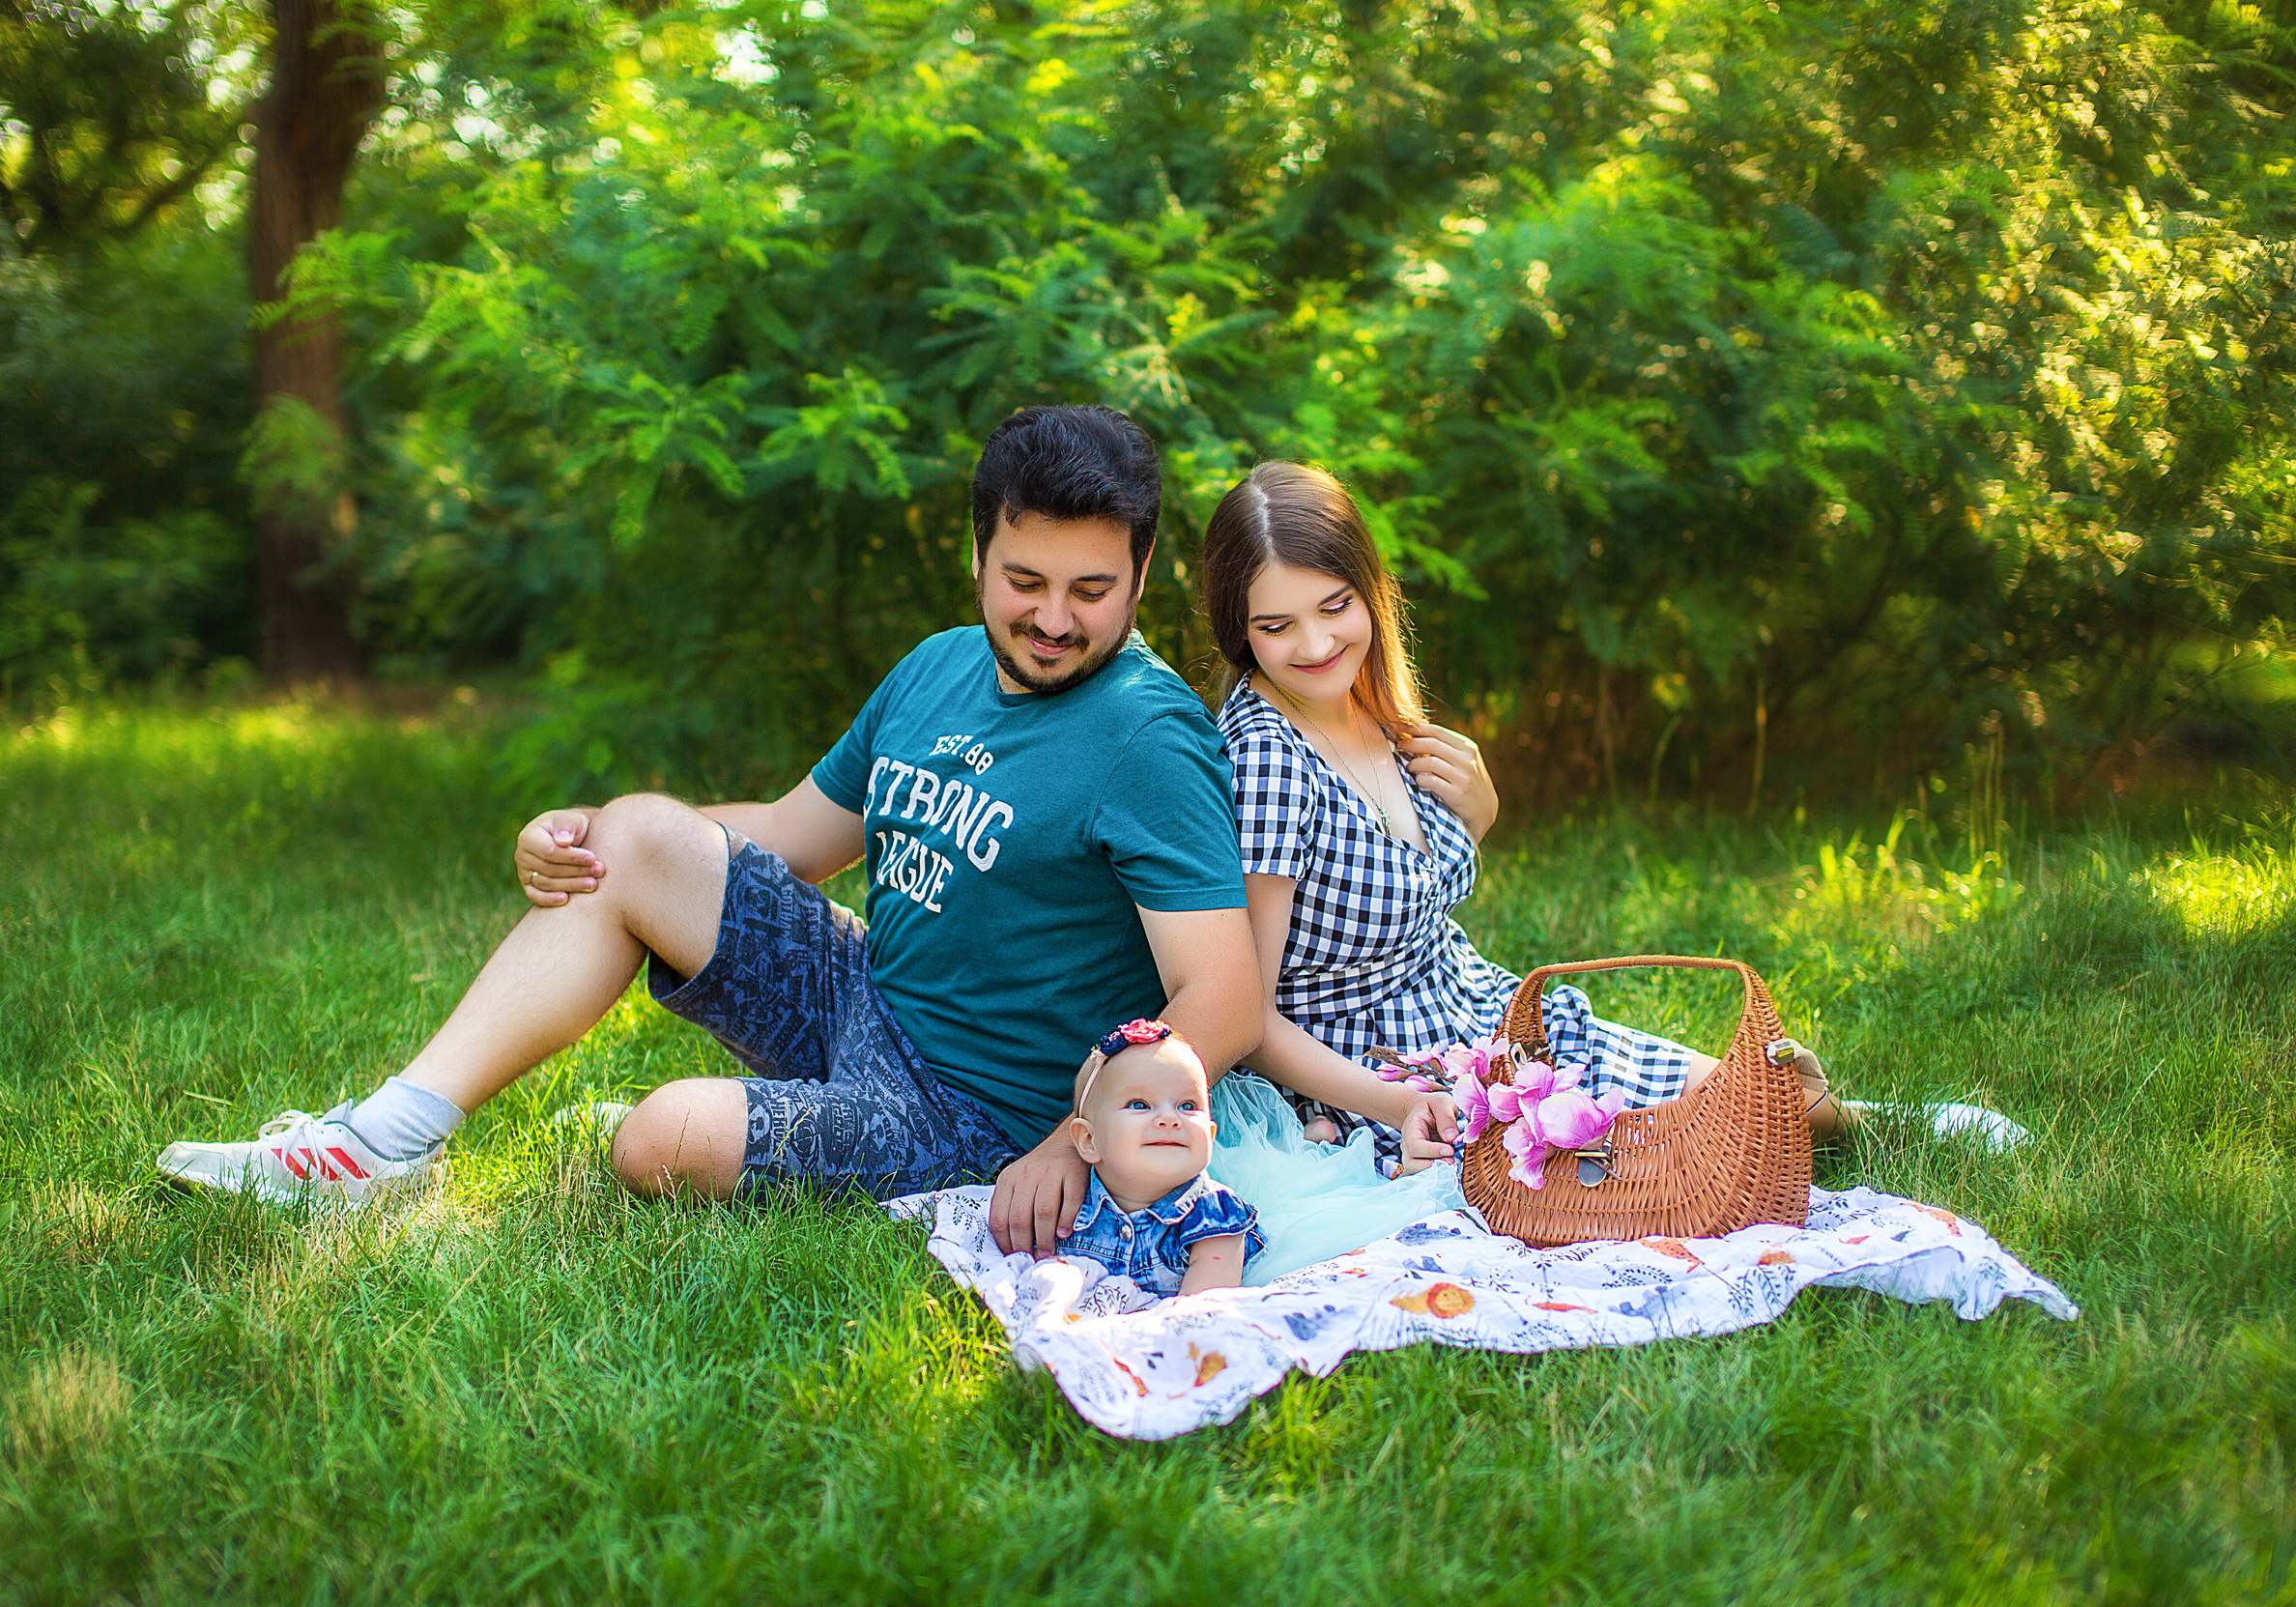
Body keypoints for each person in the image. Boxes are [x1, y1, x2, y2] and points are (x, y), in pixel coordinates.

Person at [156, 406, 1263, 1257]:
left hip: (979, 1109)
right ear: (975, 554)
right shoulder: (937, 666)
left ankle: (757, 1122)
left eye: (1091, 589)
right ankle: (386, 1139)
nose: (1055, 619)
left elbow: (1221, 994)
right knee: (637, 833)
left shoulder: (1144, 737)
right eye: (1025, 581)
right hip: (870, 992)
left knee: (657, 1141)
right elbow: (790, 836)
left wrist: (1072, 1141)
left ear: (1141, 575)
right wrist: (585, 835)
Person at [1195, 460, 1853, 1177]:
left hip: (1481, 1016)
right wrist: (1398, 1103)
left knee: (1782, 1099)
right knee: (1710, 1144)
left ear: (1370, 593)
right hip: (1375, 1075)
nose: (1317, 644)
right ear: (1241, 631)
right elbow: (1249, 1017)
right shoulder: (1268, 759)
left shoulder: (1369, 707)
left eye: (1334, 606)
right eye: (1277, 624)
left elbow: (1390, 891)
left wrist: (1480, 814)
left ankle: (1892, 1120)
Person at [1053, 1019, 1263, 1297]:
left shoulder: (1214, 1218)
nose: (1169, 1119)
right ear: (1089, 1141)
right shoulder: (1066, 1202)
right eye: (1139, 1104)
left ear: (1210, 1136)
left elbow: (1199, 1313)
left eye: (1188, 1106)